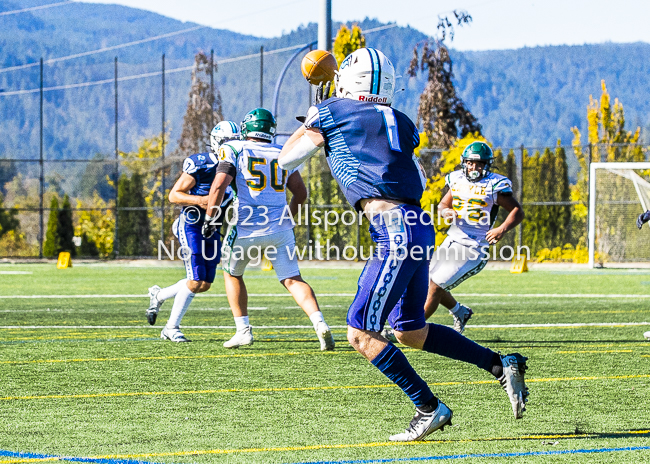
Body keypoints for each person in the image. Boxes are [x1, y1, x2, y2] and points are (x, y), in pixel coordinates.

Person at [278, 48, 529, 441]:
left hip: (393, 229)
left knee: (360, 333)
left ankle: (428, 407)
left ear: (348, 80)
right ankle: (501, 364)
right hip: (419, 225)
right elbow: (414, 170)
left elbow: (287, 160)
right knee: (409, 330)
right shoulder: (403, 121)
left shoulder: (331, 111)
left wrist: (313, 118)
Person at [202, 108, 335, 351]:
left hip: (246, 226)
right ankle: (319, 323)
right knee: (293, 279)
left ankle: (243, 330)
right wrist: (286, 218)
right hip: (280, 229)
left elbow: (219, 184)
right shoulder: (282, 151)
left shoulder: (234, 148)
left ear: (247, 128)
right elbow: (301, 194)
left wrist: (211, 217)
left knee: (231, 272)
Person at [146, 121, 239, 342]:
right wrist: (201, 200)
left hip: (213, 227)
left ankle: (158, 295)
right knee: (195, 280)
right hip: (191, 224)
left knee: (204, 284)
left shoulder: (240, 165)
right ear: (218, 143)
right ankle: (171, 328)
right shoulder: (202, 164)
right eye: (229, 142)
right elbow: (174, 195)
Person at [424, 141, 524, 333]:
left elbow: (517, 211)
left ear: (487, 164)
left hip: (473, 247)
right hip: (452, 240)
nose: (474, 167)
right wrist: (446, 213)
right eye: (470, 163)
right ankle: (460, 311)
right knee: (428, 281)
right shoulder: (456, 179)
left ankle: (409, 328)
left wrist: (501, 229)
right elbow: (443, 205)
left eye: (479, 164)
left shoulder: (494, 185)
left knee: (435, 287)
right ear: (464, 162)